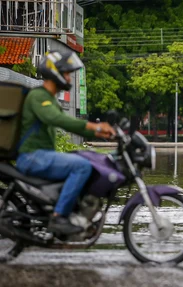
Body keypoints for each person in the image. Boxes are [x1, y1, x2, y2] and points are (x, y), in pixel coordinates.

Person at [16, 51, 116, 235]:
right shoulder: (38, 97)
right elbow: (57, 119)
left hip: (42, 156)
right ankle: (59, 217)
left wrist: (102, 133)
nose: (69, 77)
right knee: (82, 167)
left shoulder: (49, 98)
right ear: (55, 73)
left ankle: (71, 211)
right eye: (66, 73)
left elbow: (71, 125)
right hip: (32, 157)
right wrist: (95, 126)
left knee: (84, 158)